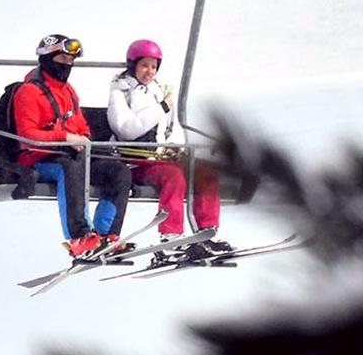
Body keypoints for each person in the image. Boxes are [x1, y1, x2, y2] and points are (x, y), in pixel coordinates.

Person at [13, 34, 137, 257]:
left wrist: (82, 139)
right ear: (48, 59)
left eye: (71, 61)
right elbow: (27, 134)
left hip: (71, 154)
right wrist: (66, 138)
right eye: (62, 59)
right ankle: (79, 236)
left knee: (118, 171)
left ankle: (106, 235)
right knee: (70, 167)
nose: (67, 66)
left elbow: (81, 125)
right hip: (39, 158)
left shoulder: (68, 91)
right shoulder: (29, 92)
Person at [107, 38, 230, 253]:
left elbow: (168, 129)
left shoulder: (158, 91)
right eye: (144, 65)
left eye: (154, 66)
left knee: (205, 171)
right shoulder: (120, 93)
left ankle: (207, 231)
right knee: (173, 177)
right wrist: (161, 107)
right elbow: (126, 129)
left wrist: (174, 147)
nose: (149, 72)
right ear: (132, 64)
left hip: (159, 158)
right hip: (133, 162)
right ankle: (171, 235)